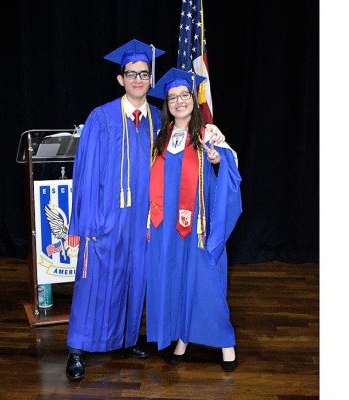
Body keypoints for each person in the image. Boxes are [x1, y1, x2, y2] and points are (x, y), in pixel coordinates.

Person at [65, 40, 227, 380]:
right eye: (131, 73)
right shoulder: (101, 117)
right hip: (106, 218)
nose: (138, 78)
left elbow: (184, 161)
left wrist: (213, 143)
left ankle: (124, 339)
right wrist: (88, 220)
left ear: (151, 79)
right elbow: (85, 172)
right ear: (121, 79)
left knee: (133, 279)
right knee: (94, 281)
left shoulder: (159, 121)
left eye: (143, 73)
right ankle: (77, 348)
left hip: (144, 220)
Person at [145, 68, 242, 372]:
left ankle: (226, 342)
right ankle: (182, 338)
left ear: (193, 98)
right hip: (167, 229)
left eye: (184, 95)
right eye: (172, 98)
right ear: (167, 104)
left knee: (205, 283)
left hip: (197, 226)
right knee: (177, 280)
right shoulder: (161, 138)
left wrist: (217, 159)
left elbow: (228, 165)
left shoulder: (207, 133)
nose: (178, 101)